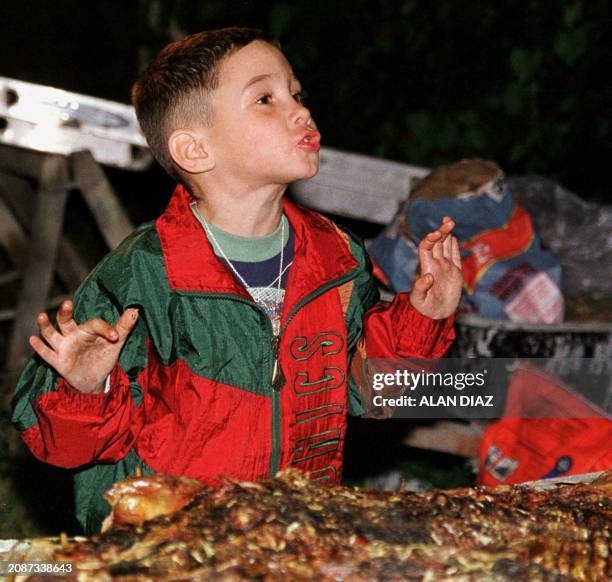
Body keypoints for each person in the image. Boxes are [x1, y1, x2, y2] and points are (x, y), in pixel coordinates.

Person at [11, 27, 463, 533]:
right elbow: (66, 446)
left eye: (296, 93)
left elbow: (371, 392)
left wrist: (425, 315)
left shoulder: (334, 257)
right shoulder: (146, 273)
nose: (300, 111)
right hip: (170, 539)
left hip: (296, 529)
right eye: (265, 99)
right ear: (195, 149)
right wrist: (86, 385)